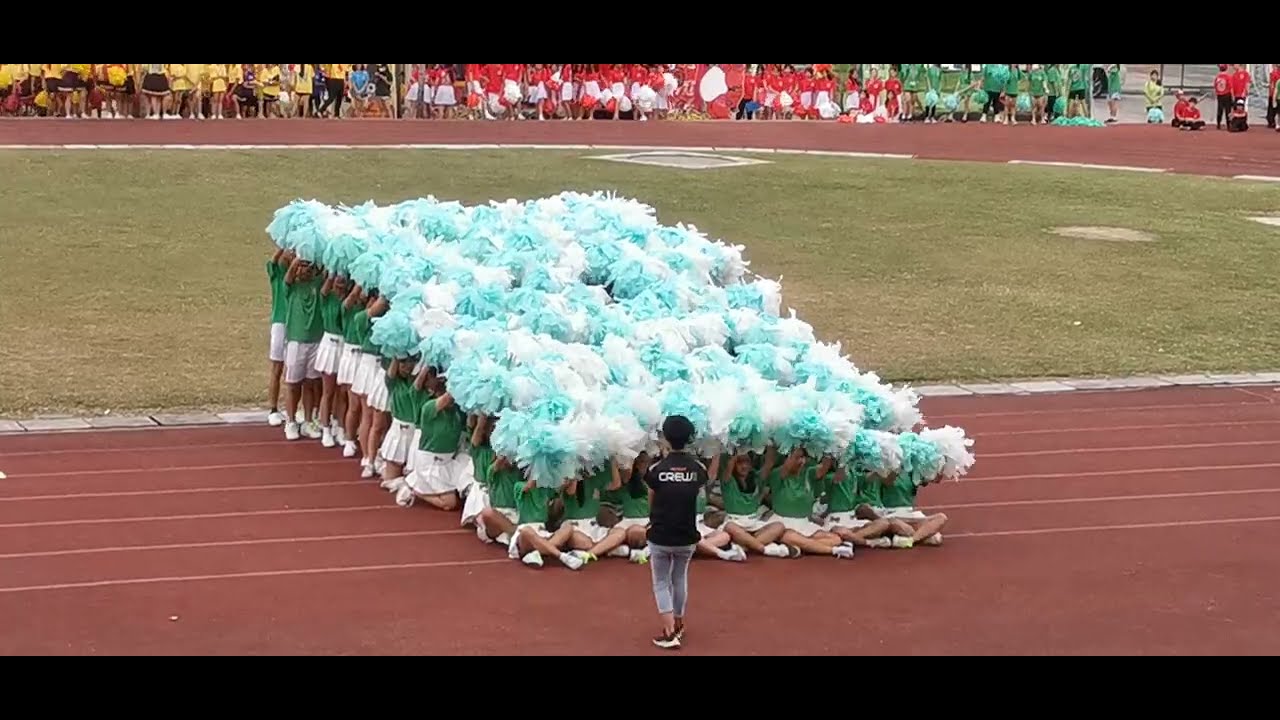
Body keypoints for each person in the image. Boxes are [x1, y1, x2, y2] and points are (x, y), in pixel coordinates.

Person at [644, 416, 709, 650]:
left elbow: (651, 501)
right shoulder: (698, 469)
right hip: (687, 534)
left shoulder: (655, 469)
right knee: (679, 578)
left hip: (660, 534)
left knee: (661, 582)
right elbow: (695, 492)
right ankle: (679, 623)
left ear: (665, 437)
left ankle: (669, 631)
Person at [282, 257, 324, 441]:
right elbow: (289, 276)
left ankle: (307, 421)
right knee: (293, 384)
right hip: (296, 341)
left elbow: (325, 271)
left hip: (315, 340)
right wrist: (297, 259)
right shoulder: (291, 287)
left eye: (308, 267)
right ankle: (290, 421)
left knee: (310, 383)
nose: (304, 270)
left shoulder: (317, 284)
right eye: (301, 267)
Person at [313, 272, 347, 447]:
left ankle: (340, 428)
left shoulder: (349, 300)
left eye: (343, 280)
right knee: (328, 391)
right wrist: (333, 271)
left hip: (345, 347)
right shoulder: (327, 297)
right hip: (330, 345)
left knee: (342, 392)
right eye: (337, 280)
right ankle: (325, 428)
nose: (340, 282)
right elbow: (324, 290)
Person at [265, 248, 290, 426]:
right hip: (280, 323)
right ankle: (273, 409)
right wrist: (284, 245)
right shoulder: (277, 274)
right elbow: (274, 260)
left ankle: (293, 409)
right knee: (277, 368)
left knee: (295, 373)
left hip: (296, 325)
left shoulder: (299, 277)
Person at [1213, 64, 1232, 129]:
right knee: (1228, 110)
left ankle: (1218, 123)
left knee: (1220, 109)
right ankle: (1228, 124)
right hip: (1227, 94)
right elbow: (1230, 86)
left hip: (1219, 95)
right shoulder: (1228, 77)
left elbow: (1215, 86)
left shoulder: (1217, 77)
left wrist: (1217, 93)